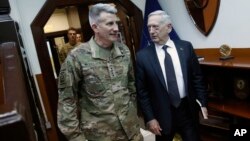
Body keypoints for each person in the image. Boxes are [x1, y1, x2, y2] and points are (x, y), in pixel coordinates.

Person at [57, 3, 143, 141]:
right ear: (95, 27)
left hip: (132, 131)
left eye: (116, 23)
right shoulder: (77, 57)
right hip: (101, 135)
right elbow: (67, 100)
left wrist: (132, 112)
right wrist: (75, 137)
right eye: (110, 24)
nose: (116, 28)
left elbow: (131, 86)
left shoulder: (124, 51)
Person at [135, 10, 208, 141]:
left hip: (187, 111)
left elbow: (197, 78)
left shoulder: (185, 47)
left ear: (168, 27)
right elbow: (142, 92)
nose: (151, 31)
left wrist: (202, 103)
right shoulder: (142, 57)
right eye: (149, 27)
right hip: (161, 115)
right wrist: (150, 118)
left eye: (155, 27)